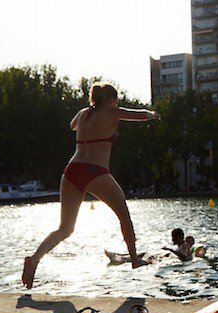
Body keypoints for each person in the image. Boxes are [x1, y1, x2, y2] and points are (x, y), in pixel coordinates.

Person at [22, 83, 157, 289]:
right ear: (111, 99)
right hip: (95, 171)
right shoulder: (113, 112)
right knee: (123, 213)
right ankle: (134, 259)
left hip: (71, 171)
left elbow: (72, 125)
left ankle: (34, 259)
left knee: (65, 229)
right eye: (116, 100)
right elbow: (139, 115)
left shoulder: (83, 113)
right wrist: (153, 114)